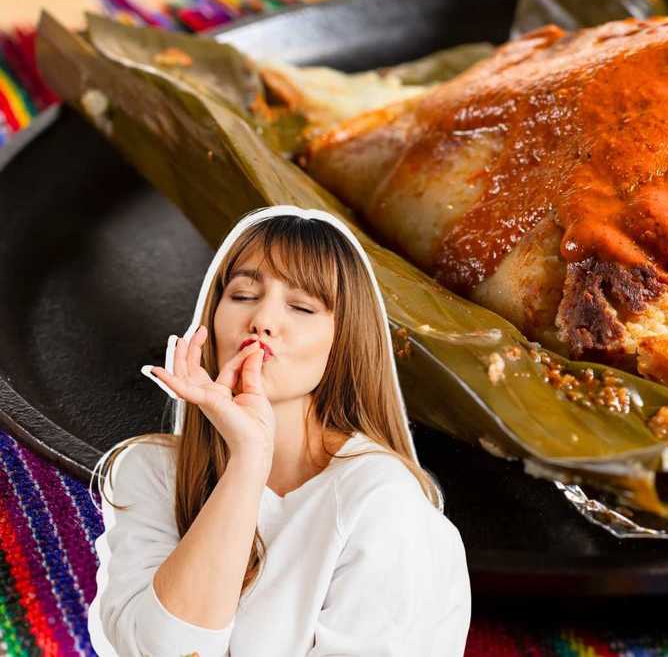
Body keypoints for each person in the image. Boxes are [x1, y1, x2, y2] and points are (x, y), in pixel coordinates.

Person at [86, 205, 471, 656]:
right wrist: (247, 460)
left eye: (302, 306)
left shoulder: (384, 503)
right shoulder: (150, 471)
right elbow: (160, 650)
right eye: (244, 295)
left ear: (343, 341)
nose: (263, 321)